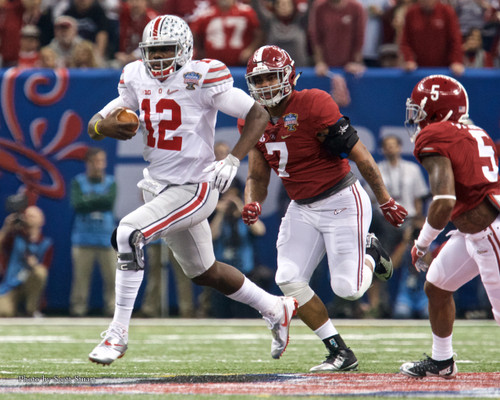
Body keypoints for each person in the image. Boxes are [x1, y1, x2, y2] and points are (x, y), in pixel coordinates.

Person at [86, 15, 297, 366]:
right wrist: (102, 127)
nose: (158, 58)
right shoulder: (136, 75)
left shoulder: (202, 76)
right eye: (153, 51)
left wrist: (232, 160)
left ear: (184, 48)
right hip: (159, 187)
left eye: (166, 49)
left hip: (194, 188)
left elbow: (258, 114)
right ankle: (275, 307)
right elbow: (96, 122)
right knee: (205, 272)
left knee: (128, 233)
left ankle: (117, 333)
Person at [240, 45, 408, 372]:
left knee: (348, 290)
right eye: (259, 80)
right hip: (301, 207)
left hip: (340, 200)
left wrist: (385, 199)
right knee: (288, 278)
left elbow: (360, 155)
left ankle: (371, 252)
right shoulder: (251, 117)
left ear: (288, 75)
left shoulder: (314, 103)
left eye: (272, 76)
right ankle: (339, 350)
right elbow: (257, 175)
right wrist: (252, 202)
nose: (266, 86)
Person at [400, 74, 500, 379]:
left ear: (436, 109)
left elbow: (444, 201)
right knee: (438, 285)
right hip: (475, 230)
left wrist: (421, 243)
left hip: (491, 230)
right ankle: (442, 361)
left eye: (419, 110)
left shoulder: (436, 134)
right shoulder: (473, 131)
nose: (416, 117)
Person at [69, 147, 116, 317]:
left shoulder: (111, 182)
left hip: (106, 237)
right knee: (81, 279)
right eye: (96, 161)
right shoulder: (78, 182)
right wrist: (97, 201)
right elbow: (78, 204)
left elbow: (108, 203)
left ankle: (112, 309)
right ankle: (78, 309)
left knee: (112, 278)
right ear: (88, 162)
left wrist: (88, 200)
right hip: (83, 238)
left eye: (102, 161)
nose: (99, 165)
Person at [0, 205, 53, 317]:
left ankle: (32, 310)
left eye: (32, 216)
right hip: (12, 283)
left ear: (41, 220)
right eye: (27, 215)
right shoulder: (14, 237)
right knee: (4, 311)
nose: (28, 218)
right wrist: (6, 227)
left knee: (40, 272)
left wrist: (34, 265)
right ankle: (14, 309)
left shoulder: (46, 243)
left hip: (30, 283)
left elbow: (44, 270)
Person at [399, 0, 465, 76]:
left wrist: (456, 61)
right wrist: (409, 59)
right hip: (418, 70)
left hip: (445, 69)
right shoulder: (411, 13)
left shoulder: (447, 11)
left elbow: (456, 39)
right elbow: (405, 41)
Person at [190, 0, 263, 66]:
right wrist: (200, 50)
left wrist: (250, 49)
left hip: (240, 63)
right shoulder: (206, 14)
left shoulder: (247, 11)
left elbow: (259, 33)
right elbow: (194, 32)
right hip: (213, 63)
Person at [308, 0, 367, 76]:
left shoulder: (356, 7)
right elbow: (316, 38)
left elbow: (359, 38)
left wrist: (356, 62)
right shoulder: (319, 7)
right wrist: (320, 62)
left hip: (349, 66)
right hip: (326, 67)